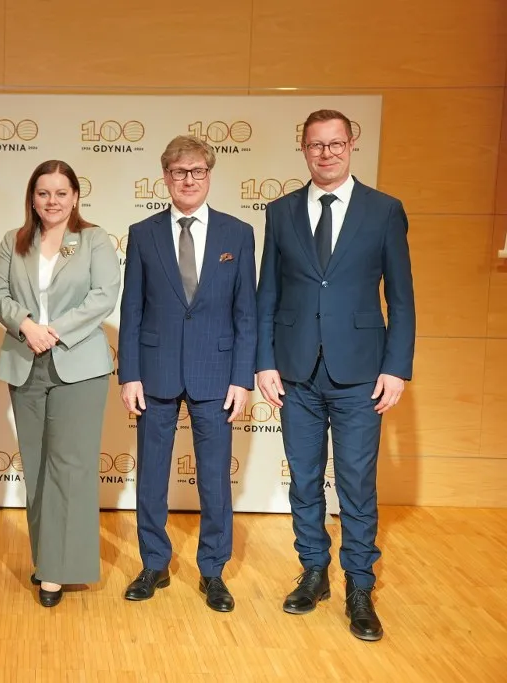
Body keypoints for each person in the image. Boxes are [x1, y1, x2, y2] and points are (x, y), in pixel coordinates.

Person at [256, 109, 415, 641]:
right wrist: (264, 361)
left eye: (336, 143)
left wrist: (396, 368)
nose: (326, 153)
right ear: (303, 149)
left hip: (361, 375)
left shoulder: (384, 210)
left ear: (351, 145)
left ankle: (360, 586)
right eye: (316, 145)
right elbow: (267, 294)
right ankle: (313, 572)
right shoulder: (280, 212)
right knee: (303, 481)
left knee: (356, 484)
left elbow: (402, 299)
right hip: (296, 372)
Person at [118, 135, 256, 612]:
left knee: (214, 479)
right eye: (179, 172)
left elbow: (246, 312)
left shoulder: (238, 233)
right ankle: (153, 564)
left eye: (197, 171)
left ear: (209, 175)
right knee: (152, 477)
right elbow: (131, 309)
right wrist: (130, 374)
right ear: (166, 177)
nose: (188, 180)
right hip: (154, 372)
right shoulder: (143, 233)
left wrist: (242, 378)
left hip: (217, 374)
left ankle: (213, 571)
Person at [0, 160, 120, 608]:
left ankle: (58, 572)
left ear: (76, 197)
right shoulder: (13, 241)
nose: (52, 201)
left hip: (78, 365)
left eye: (62, 193)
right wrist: (26, 325)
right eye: (44, 193)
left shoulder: (95, 240)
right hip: (25, 361)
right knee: (38, 466)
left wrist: (55, 330)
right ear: (32, 197)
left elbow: (104, 296)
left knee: (70, 467)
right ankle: (47, 558)